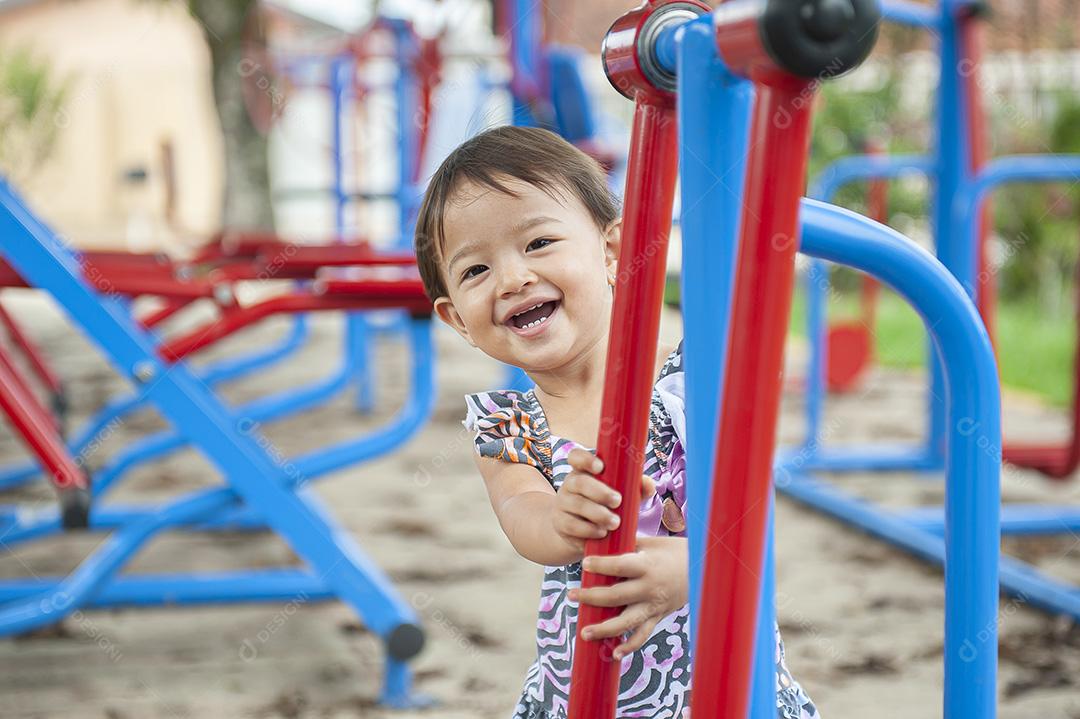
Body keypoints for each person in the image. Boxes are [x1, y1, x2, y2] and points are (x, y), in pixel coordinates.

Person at [414, 125, 818, 719]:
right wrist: (561, 518)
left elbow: (747, 501)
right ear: (456, 320)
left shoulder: (690, 377)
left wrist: (700, 567)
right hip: (586, 689)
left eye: (538, 243)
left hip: (723, 678)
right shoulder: (508, 425)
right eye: (475, 271)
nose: (512, 278)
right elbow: (520, 516)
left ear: (612, 252)